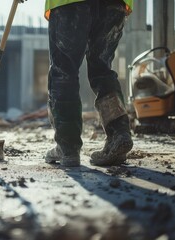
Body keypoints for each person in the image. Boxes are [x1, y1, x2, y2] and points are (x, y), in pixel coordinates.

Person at [44, 0, 134, 167]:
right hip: (114, 4)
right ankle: (119, 134)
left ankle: (67, 147)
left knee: (64, 72)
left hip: (69, 4)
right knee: (103, 69)